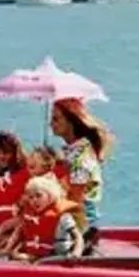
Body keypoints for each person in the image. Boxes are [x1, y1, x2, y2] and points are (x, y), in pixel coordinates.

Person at [49, 97, 114, 244]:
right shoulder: (73, 153)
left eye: (56, 119)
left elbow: (75, 200)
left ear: (71, 122)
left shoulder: (81, 159)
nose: (51, 124)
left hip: (80, 223)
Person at [6, 176, 83, 261]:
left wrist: (76, 253)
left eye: (38, 196)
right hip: (38, 258)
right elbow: (23, 238)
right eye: (31, 197)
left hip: (59, 258)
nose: (34, 200)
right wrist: (14, 252)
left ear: (50, 196)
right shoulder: (30, 218)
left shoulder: (63, 217)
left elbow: (78, 237)